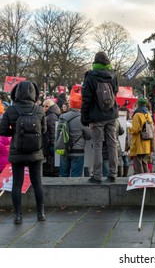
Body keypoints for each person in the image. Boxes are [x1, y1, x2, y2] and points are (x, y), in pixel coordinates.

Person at [0, 81, 47, 224]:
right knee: (37, 183)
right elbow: (44, 130)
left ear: (17, 92)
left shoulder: (11, 110)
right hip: (35, 152)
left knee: (17, 184)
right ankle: (40, 213)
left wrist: (15, 133)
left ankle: (18, 215)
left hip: (17, 151)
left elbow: (2, 131)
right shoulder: (39, 109)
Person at [81, 51, 119, 183]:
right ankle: (113, 174)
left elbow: (86, 99)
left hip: (96, 117)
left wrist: (84, 117)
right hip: (111, 115)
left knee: (97, 145)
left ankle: (97, 176)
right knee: (112, 144)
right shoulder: (113, 75)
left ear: (95, 62)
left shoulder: (90, 76)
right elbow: (115, 93)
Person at [58, 87, 92, 177]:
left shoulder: (62, 117)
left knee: (63, 176)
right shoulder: (82, 119)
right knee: (76, 178)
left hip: (64, 149)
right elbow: (89, 136)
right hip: (78, 151)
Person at [129, 98, 154, 174]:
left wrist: (129, 129)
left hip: (138, 142)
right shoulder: (148, 114)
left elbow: (135, 129)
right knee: (144, 162)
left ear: (138, 105)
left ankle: (140, 180)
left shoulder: (137, 115)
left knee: (138, 162)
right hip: (146, 143)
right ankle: (146, 178)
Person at [42, 99, 61, 176]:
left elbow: (53, 132)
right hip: (49, 141)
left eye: (45, 106)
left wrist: (53, 144)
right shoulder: (51, 115)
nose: (43, 108)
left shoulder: (51, 116)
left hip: (50, 142)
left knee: (51, 160)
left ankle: (52, 172)